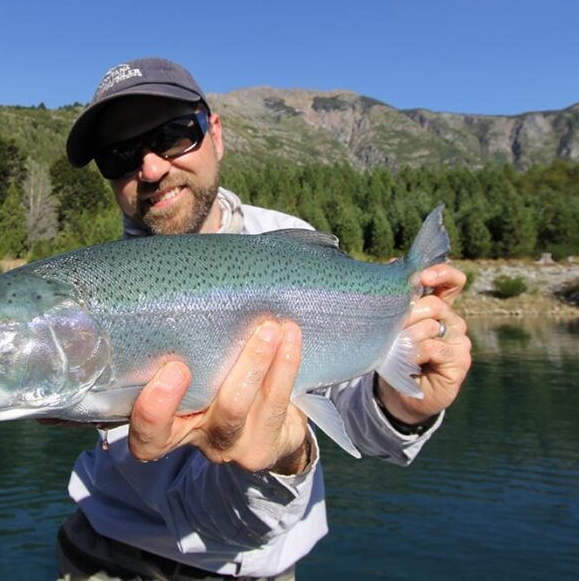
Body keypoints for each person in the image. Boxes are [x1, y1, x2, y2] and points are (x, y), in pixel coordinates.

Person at [55, 57, 472, 580]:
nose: (152, 168)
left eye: (173, 135)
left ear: (216, 135)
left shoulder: (296, 244)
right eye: (118, 156)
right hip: (103, 556)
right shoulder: (91, 297)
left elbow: (353, 419)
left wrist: (404, 405)